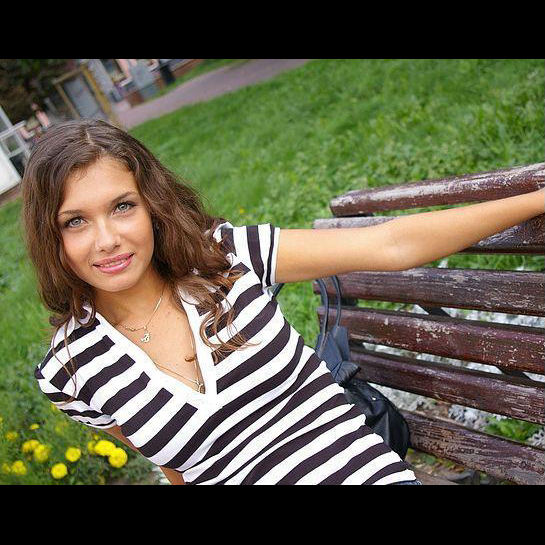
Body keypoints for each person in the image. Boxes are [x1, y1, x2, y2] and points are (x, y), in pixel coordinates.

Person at [22, 119, 544, 485]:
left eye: (122, 207)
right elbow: (180, 470)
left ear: (150, 206)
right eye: (76, 221)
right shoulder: (71, 371)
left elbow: (391, 244)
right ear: (51, 235)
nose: (107, 239)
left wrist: (536, 199)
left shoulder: (226, 257)